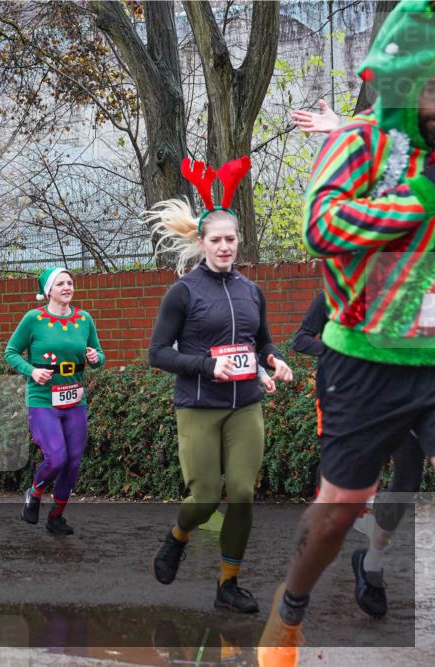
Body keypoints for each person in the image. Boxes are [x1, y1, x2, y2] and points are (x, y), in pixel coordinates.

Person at [259, 5, 435, 664]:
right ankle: (291, 607)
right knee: (339, 509)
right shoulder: (360, 146)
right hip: (366, 358)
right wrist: (413, 202)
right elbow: (322, 227)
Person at [146, 156, 294, 614]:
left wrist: (275, 360)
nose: (225, 247)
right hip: (198, 405)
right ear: (202, 242)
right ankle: (179, 535)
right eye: (217, 240)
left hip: (246, 405)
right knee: (206, 497)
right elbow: (158, 354)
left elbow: (262, 341)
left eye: (231, 239)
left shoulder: (252, 291)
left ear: (237, 241)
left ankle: (229, 584)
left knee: (245, 494)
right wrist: (209, 369)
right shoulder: (184, 291)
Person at [292, 293, 425, 618]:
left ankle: (372, 563)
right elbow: (301, 340)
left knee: (407, 482)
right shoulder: (332, 295)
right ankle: (308, 559)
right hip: (359, 402)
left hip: (411, 398)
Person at [5, 267, 104, 535]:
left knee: (73, 462)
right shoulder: (33, 319)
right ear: (48, 290)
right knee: (57, 458)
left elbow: (99, 355)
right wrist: (32, 371)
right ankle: (34, 492)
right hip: (43, 399)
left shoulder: (84, 319)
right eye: (60, 283)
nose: (67, 287)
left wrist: (96, 358)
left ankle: (56, 517)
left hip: (75, 397)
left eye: (70, 282)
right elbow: (11, 352)